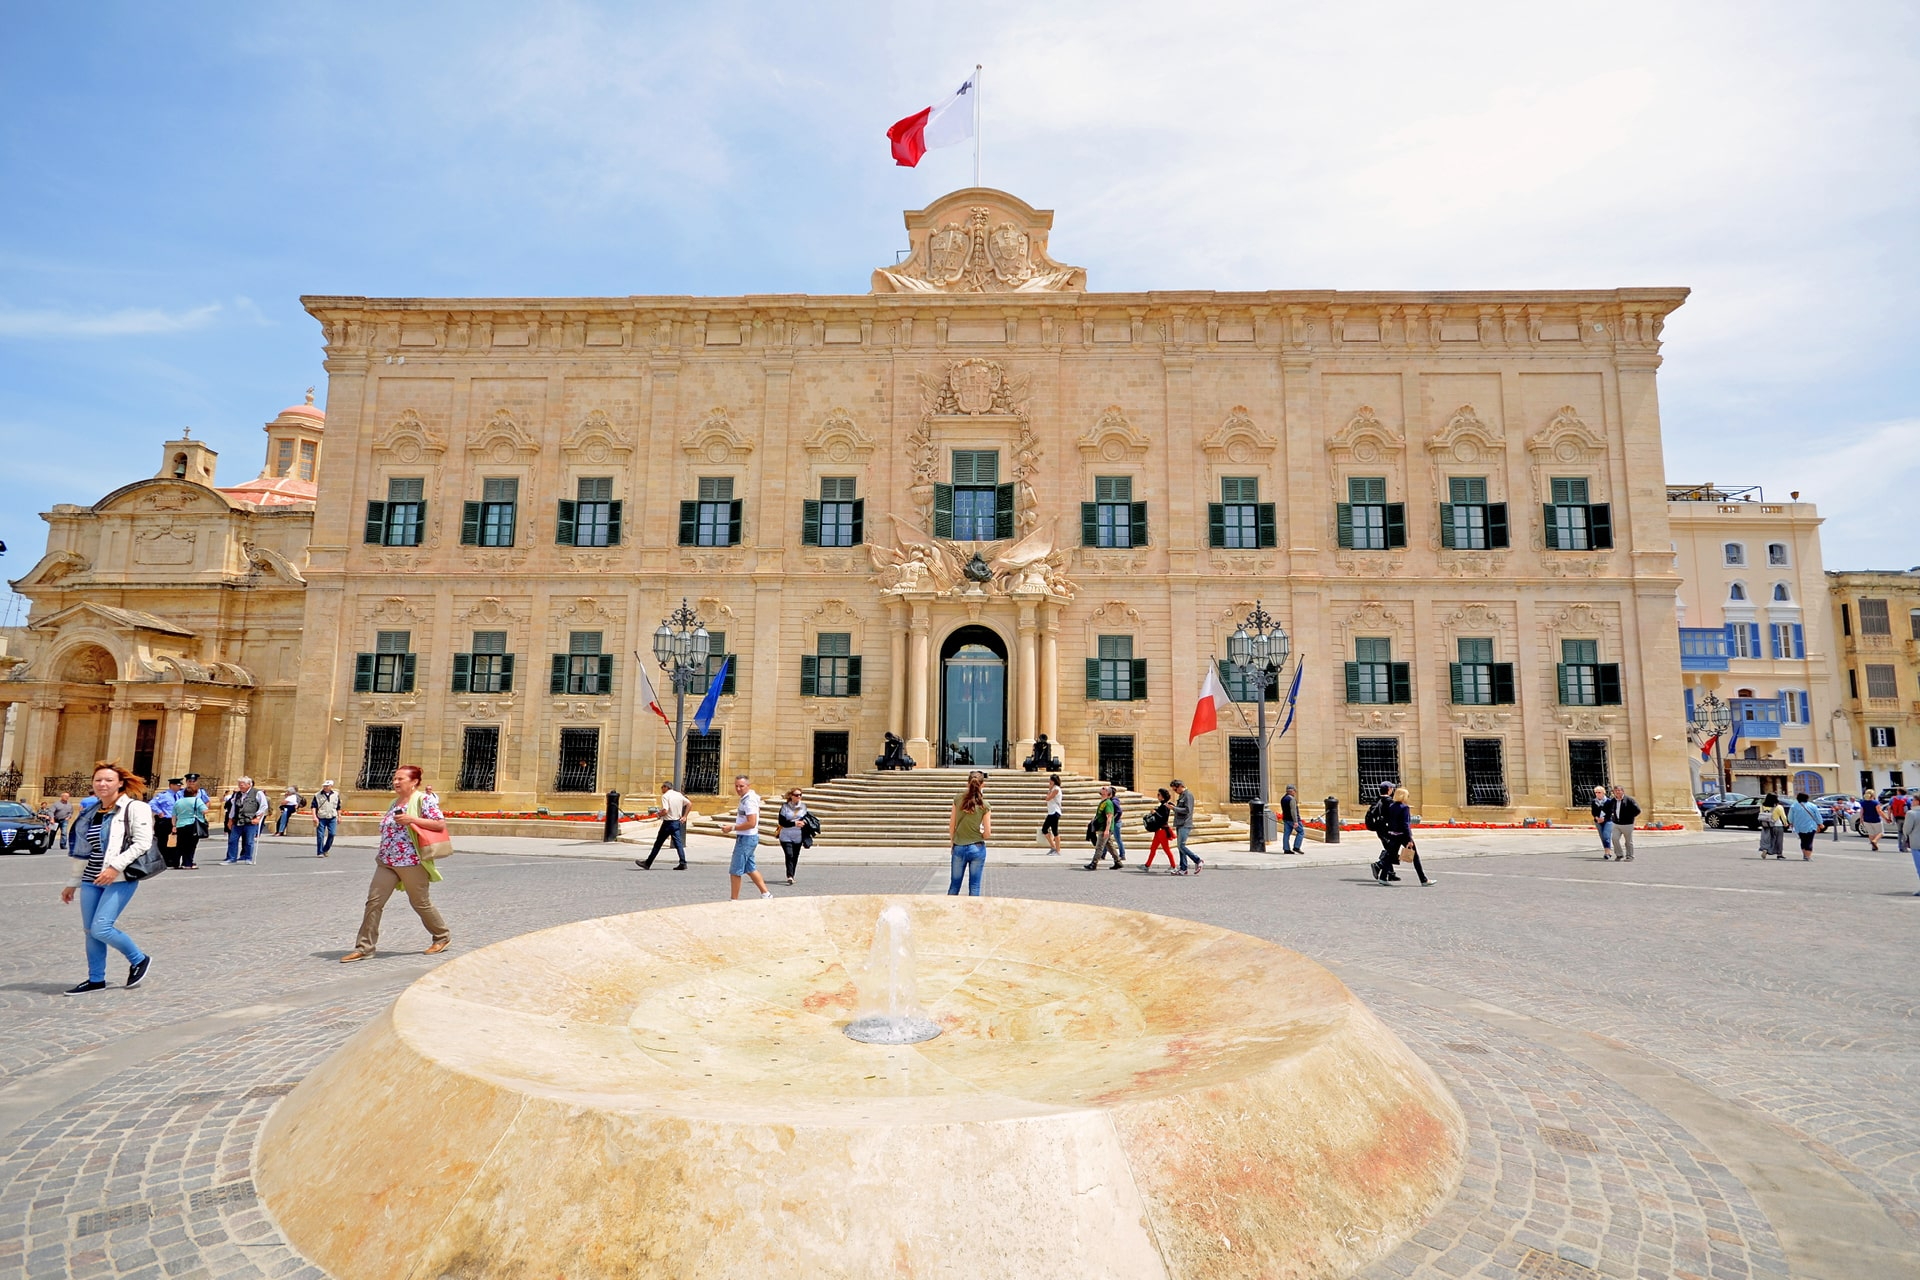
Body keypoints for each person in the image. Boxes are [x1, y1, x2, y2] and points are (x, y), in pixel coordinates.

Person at [61, 762, 155, 994]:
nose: (103, 784)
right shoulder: (90, 812)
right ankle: (95, 979)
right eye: (98, 780)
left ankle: (139, 958)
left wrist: (115, 867)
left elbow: (142, 843)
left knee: (101, 928)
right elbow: (84, 850)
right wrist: (72, 883)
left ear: (120, 783)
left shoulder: (134, 808)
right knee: (89, 931)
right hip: (91, 879)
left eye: (109, 780)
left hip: (120, 877)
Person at [340, 765, 450, 961]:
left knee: (420, 902)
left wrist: (412, 819)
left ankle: (442, 936)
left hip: (411, 860)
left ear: (414, 781)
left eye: (401, 779)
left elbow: (439, 824)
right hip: (386, 860)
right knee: (373, 902)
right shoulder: (394, 802)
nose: (396, 782)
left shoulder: (424, 800)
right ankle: (364, 947)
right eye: (395, 778)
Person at [948, 770, 991, 896]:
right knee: (974, 886)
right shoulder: (985, 805)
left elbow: (952, 825)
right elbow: (988, 833)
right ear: (983, 785)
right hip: (977, 847)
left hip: (959, 846)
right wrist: (981, 834)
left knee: (954, 886)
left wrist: (953, 842)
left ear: (967, 784)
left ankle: (949, 913)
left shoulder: (957, 799)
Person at [1376, 786, 1430, 886]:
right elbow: (1405, 824)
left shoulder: (1391, 806)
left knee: (1390, 856)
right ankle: (1423, 880)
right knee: (1415, 857)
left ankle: (1383, 877)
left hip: (1393, 834)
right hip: (1403, 835)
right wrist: (1409, 838)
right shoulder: (1404, 808)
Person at [728, 775, 770, 900]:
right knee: (750, 868)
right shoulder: (748, 797)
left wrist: (732, 827)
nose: (738, 789)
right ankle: (766, 893)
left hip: (746, 838)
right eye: (736, 786)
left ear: (748, 786)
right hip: (748, 837)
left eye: (741, 786)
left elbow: (751, 822)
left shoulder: (749, 800)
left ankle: (734, 899)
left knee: (735, 870)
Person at [638, 780, 690, 870]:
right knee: (678, 844)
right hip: (676, 822)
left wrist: (659, 814)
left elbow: (665, 810)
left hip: (668, 823)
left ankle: (648, 863)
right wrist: (685, 816)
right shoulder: (678, 794)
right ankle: (683, 862)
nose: (661, 789)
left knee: (658, 844)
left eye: (662, 787)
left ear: (666, 787)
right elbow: (689, 803)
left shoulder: (665, 796)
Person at [222, 777, 267, 864]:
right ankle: (231, 858)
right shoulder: (237, 794)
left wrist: (258, 817)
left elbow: (264, 806)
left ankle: (248, 857)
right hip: (237, 820)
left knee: (249, 841)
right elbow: (233, 807)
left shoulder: (257, 793)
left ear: (249, 785)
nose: (240, 786)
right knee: (232, 840)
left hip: (250, 821)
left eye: (242, 785)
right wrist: (230, 819)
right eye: (239, 784)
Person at [1366, 782, 1400, 882]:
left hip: (1379, 828)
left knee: (1388, 849)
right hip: (1387, 829)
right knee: (1391, 850)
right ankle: (1378, 865)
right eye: (1392, 789)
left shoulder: (1377, 799)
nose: (1393, 790)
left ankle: (1391, 873)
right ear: (1389, 789)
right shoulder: (1388, 801)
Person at [1085, 785, 1122, 870]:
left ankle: (1094, 863)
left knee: (1099, 846)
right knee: (1110, 846)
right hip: (1102, 827)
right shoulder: (1103, 802)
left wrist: (1107, 830)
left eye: (1104, 788)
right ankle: (1118, 862)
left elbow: (1109, 817)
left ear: (1107, 793)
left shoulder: (1108, 803)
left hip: (1105, 828)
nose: (1102, 788)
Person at [777, 788, 809, 886]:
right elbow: (782, 822)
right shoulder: (785, 807)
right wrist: (795, 823)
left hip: (798, 835)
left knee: (795, 856)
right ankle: (789, 876)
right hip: (786, 834)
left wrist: (805, 823)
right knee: (789, 854)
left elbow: (807, 818)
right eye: (796, 795)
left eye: (800, 795)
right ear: (791, 796)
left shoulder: (803, 806)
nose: (798, 797)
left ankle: (792, 875)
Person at [171, 782, 206, 870]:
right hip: (192, 824)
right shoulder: (197, 800)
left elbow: (174, 815)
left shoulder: (178, 802)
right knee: (191, 845)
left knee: (180, 844)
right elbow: (205, 810)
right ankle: (187, 863)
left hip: (180, 824)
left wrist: (174, 825)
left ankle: (176, 863)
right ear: (195, 793)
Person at [1170, 779, 1201, 874]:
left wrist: (1174, 808)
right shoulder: (1182, 795)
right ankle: (1183, 868)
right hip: (1180, 823)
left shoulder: (1188, 795)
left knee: (1181, 846)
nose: (1175, 791)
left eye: (1175, 789)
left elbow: (1187, 810)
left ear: (1180, 786)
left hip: (1185, 824)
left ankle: (1198, 860)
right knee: (1180, 847)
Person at [1142, 787, 1176, 872]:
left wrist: (1155, 813)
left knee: (1166, 849)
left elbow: (1163, 819)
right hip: (1159, 831)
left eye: (1159, 795)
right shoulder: (1162, 805)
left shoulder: (1165, 806)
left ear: (1163, 797)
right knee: (1153, 848)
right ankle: (1147, 865)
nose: (1157, 796)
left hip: (1162, 831)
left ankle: (1173, 866)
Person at [149, 779, 180, 861]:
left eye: (180, 785)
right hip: (166, 820)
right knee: (162, 840)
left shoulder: (179, 795)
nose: (179, 786)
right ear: (171, 785)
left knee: (175, 841)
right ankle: (161, 858)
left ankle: (171, 859)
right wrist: (159, 812)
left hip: (177, 820)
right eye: (177, 785)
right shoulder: (164, 795)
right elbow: (152, 803)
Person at [1786, 791, 1821, 860]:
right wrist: (1820, 823)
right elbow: (1817, 816)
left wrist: (1791, 823)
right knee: (1809, 841)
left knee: (1803, 840)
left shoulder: (1794, 806)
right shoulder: (1812, 806)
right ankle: (1808, 856)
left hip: (1799, 826)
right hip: (1811, 826)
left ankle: (1805, 855)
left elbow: (1790, 817)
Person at [1610, 785, 1640, 862]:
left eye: (1619, 790)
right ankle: (1619, 854)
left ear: (1623, 791)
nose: (1617, 792)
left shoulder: (1629, 800)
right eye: (1616, 791)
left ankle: (1630, 856)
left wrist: (1630, 817)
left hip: (1627, 824)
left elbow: (1637, 810)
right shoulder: (1613, 800)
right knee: (1614, 839)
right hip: (1616, 824)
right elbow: (1609, 809)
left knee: (1628, 841)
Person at [312, 780, 340, 857]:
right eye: (324, 786)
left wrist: (339, 816)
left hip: (332, 817)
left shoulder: (336, 794)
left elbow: (338, 806)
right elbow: (314, 806)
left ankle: (325, 849)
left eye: (327, 786)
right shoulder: (317, 795)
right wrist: (314, 816)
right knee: (320, 835)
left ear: (331, 786)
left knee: (332, 834)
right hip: (321, 817)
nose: (325, 787)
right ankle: (320, 852)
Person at [1758, 791, 1786, 859]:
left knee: (1767, 839)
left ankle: (1765, 849)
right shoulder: (1779, 807)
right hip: (1777, 825)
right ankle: (1779, 854)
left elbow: (1761, 813)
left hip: (1766, 825)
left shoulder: (1762, 806)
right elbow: (1783, 817)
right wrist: (1785, 823)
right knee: (1778, 840)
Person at [1040, 774, 1063, 854]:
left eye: (1050, 780)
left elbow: (1048, 798)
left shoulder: (1056, 789)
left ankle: (1058, 850)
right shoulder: (1053, 788)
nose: (1049, 781)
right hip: (1051, 812)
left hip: (1055, 812)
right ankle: (1053, 847)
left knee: (1055, 831)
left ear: (1053, 781)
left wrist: (1049, 790)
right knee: (1044, 829)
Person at [1591, 785, 1616, 858]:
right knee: (1602, 837)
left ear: (1603, 793)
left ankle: (1607, 853)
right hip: (1598, 821)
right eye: (1596, 792)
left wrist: (1604, 819)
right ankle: (1606, 851)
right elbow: (1593, 812)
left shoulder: (1609, 801)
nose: (1597, 794)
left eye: (1599, 792)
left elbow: (1611, 811)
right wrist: (1596, 817)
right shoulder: (1594, 801)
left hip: (1608, 820)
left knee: (1606, 835)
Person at [1279, 784, 1305, 854]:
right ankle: (1296, 847)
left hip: (1286, 819)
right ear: (1291, 791)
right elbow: (1293, 811)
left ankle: (1286, 849)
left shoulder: (1283, 798)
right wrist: (1295, 821)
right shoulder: (1291, 799)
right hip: (1292, 819)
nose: (1295, 792)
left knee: (1286, 834)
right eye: (1294, 791)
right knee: (1301, 832)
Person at [1901, 800, 1920, 895]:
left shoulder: (1911, 813)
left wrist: (1906, 836)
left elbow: (1907, 829)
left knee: (1919, 866)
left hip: (1916, 842)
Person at [1890, 788, 1911, 853]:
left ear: (1899, 792)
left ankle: (1900, 847)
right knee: (1906, 833)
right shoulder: (1908, 799)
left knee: (1899, 832)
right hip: (1905, 817)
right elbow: (1910, 808)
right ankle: (1905, 847)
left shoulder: (1893, 799)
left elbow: (1889, 808)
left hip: (1897, 818)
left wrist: (1889, 817)